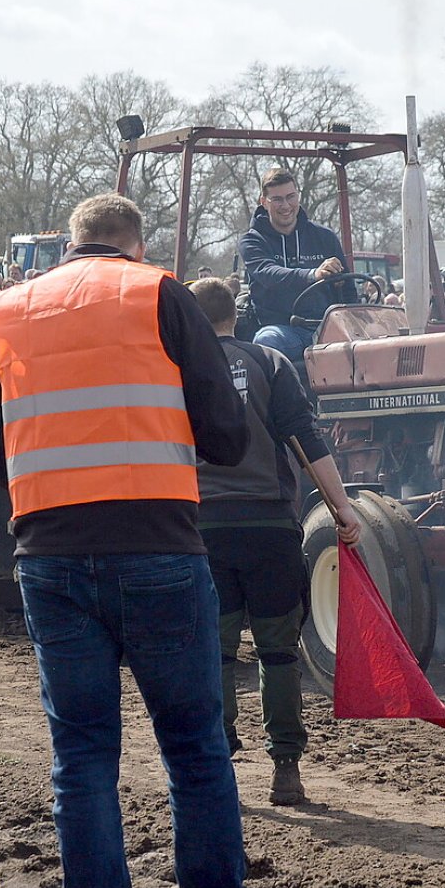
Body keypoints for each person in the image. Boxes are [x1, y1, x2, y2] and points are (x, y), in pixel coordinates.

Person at [0, 194, 292, 888]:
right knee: (194, 755)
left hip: (48, 557)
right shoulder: (160, 294)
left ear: (70, 243)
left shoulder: (8, 308)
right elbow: (226, 436)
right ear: (134, 243)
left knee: (82, 761)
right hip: (158, 548)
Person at [186, 277, 360, 805]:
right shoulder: (271, 363)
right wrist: (343, 508)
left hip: (203, 530)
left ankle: (219, 750)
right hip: (270, 526)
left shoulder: (174, 369)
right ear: (233, 318)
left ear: (192, 320)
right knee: (277, 651)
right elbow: (306, 440)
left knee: (213, 651)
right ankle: (286, 767)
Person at [240, 167, 351, 374]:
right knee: (266, 342)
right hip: (283, 329)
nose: (286, 206)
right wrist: (313, 274)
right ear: (263, 202)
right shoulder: (253, 241)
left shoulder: (323, 237)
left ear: (298, 196)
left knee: (372, 345)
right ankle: (280, 403)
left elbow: (349, 289)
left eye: (291, 197)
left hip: (327, 327)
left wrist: (340, 285)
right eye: (277, 199)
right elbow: (268, 273)